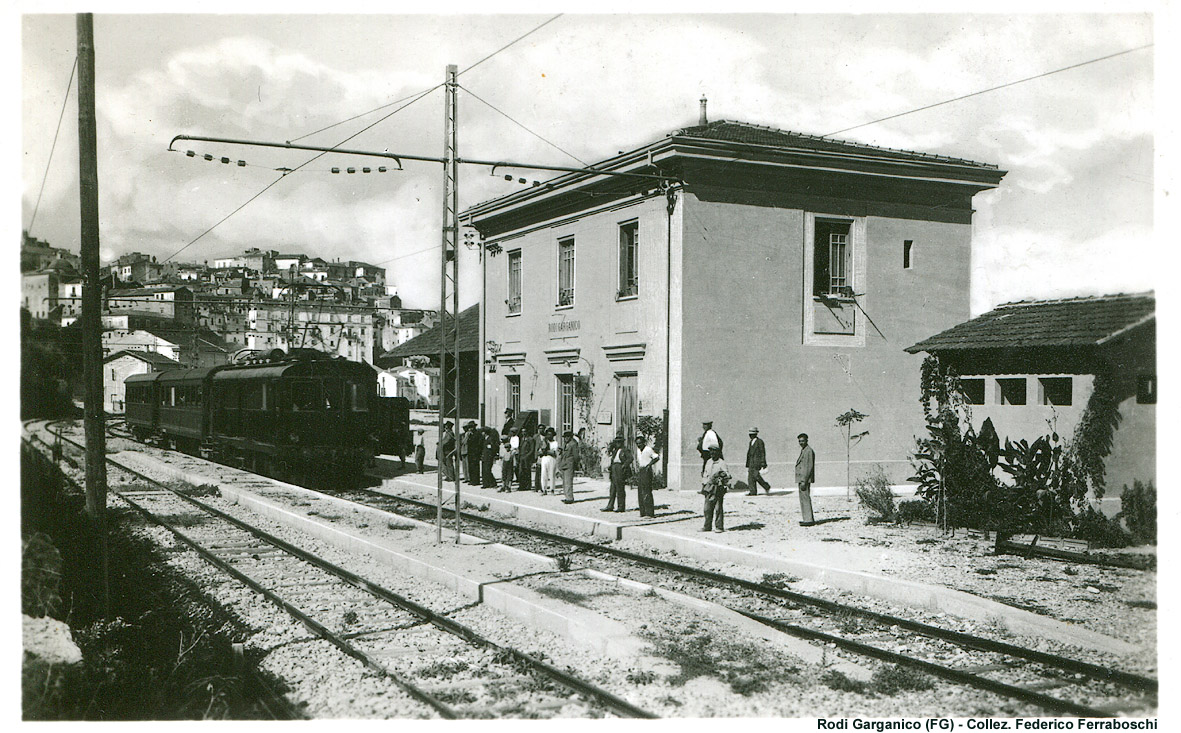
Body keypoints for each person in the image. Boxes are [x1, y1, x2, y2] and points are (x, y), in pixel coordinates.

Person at [701, 445, 730, 533]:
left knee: (718, 508)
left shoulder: (722, 463)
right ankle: (707, 526)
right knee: (707, 508)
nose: (712, 454)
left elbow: (727, 475)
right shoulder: (709, 462)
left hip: (718, 488)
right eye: (711, 452)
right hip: (708, 488)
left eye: (714, 452)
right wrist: (704, 484)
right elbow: (705, 474)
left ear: (718, 452)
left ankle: (719, 527)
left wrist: (722, 479)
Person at [603, 434, 633, 512]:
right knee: (612, 488)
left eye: (619, 442)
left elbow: (630, 458)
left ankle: (621, 506)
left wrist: (624, 465)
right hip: (614, 468)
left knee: (620, 488)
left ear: (622, 443)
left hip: (620, 468)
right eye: (616, 442)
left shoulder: (625, 450)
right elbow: (612, 459)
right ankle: (610, 505)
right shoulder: (615, 451)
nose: (618, 444)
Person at [635, 436, 660, 518]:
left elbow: (656, 457)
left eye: (640, 443)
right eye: (637, 443)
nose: (639, 445)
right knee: (640, 491)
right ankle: (643, 512)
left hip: (647, 470)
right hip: (641, 470)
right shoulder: (638, 451)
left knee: (647, 491)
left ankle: (649, 513)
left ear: (644, 443)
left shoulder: (648, 449)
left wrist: (649, 465)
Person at [795, 433, 816, 526]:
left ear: (807, 440)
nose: (801, 443)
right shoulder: (804, 450)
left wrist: (804, 480)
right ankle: (806, 518)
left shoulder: (808, 451)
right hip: (802, 479)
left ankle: (808, 520)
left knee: (805, 498)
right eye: (799, 441)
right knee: (803, 499)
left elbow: (808, 467)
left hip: (804, 479)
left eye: (802, 441)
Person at [745, 427, 771, 495]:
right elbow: (749, 453)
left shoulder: (760, 442)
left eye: (752, 434)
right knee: (750, 477)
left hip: (757, 462)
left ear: (756, 434)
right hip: (751, 462)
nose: (750, 435)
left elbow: (762, 452)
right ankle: (752, 491)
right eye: (750, 434)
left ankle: (766, 486)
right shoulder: (751, 442)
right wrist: (748, 463)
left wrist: (763, 463)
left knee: (756, 476)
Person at [556, 429, 579, 504]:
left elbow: (576, 456)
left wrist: (575, 464)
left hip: (569, 464)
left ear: (570, 437)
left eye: (567, 437)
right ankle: (566, 496)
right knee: (564, 482)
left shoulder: (573, 444)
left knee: (568, 481)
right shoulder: (565, 444)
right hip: (564, 464)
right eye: (565, 437)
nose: (565, 438)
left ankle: (570, 498)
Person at [539, 428, 558, 495]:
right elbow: (540, 452)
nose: (549, 436)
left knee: (551, 474)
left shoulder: (555, 443)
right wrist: (545, 451)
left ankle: (552, 489)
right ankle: (544, 489)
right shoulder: (544, 442)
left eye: (550, 434)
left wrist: (546, 451)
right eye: (548, 434)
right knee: (543, 474)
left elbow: (553, 452)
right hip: (544, 458)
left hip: (551, 459)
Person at [516, 426, 535, 492]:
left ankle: (527, 486)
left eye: (525, 431)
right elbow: (520, 448)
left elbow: (532, 449)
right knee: (521, 472)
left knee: (527, 471)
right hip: (521, 457)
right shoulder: (522, 439)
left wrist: (527, 456)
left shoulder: (530, 439)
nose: (523, 433)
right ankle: (522, 485)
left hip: (527, 458)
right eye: (522, 432)